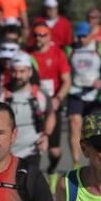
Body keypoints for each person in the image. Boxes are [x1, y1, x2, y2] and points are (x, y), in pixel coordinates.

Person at [0, 53, 55, 168]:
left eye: (22, 72)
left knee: (29, 183)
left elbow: (50, 114)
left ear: (30, 72)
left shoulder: (40, 94)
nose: (18, 76)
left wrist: (46, 135)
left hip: (32, 149)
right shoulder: (0, 94)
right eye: (14, 71)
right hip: (6, 151)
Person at [65, 21, 101, 167]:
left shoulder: (100, 48)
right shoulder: (71, 49)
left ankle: (95, 161)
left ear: (91, 35)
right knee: (74, 124)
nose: (81, 40)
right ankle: (76, 163)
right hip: (76, 91)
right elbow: (64, 69)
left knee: (93, 129)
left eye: (84, 36)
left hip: (94, 94)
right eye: (78, 36)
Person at [29, 24, 71, 178]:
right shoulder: (28, 55)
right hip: (33, 105)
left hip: (52, 105)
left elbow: (66, 81)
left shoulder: (57, 54)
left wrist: (58, 98)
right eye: (36, 34)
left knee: (54, 151)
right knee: (33, 147)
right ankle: (32, 178)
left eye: (43, 34)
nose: (39, 37)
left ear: (49, 36)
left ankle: (52, 169)